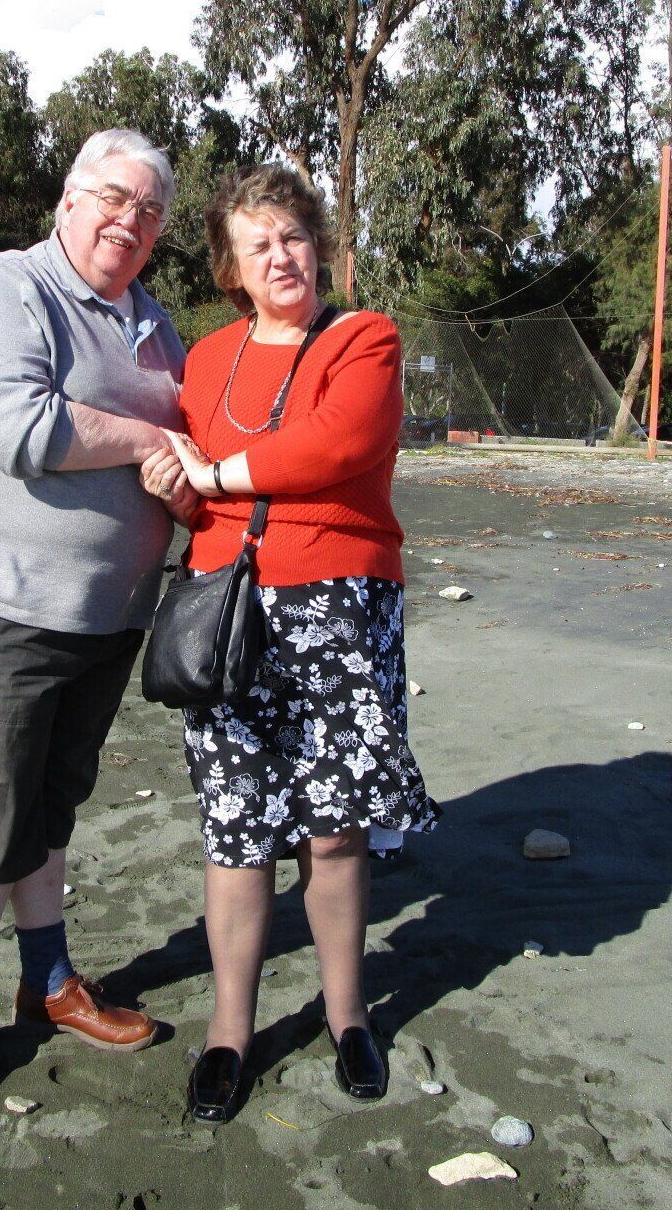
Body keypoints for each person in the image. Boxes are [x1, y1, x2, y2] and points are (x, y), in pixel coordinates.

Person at [0, 129, 188, 1125]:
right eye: (115, 197)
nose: (130, 220)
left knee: (52, 804)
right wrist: (155, 437)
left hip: (111, 618)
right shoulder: (7, 289)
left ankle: (52, 981)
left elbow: (188, 470)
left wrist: (184, 488)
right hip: (10, 604)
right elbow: (21, 430)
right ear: (69, 201)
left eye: (150, 211)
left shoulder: (157, 328)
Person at [151, 163, 439, 1122]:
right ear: (232, 268)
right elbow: (197, 489)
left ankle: (349, 1013)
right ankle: (231, 1030)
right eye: (258, 243)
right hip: (227, 611)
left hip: (343, 607)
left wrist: (219, 472)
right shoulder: (204, 358)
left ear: (316, 245)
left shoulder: (364, 338)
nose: (281, 256)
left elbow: (336, 446)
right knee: (237, 830)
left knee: (337, 823)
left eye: (293, 237)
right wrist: (176, 485)